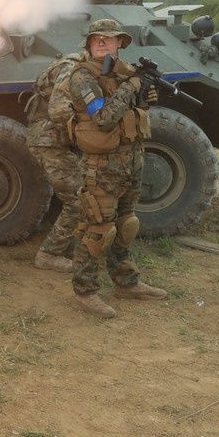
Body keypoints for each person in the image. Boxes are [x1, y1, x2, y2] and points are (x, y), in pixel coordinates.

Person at [50, 18, 167, 318]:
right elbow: (102, 118)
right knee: (97, 230)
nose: (102, 42)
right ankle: (85, 291)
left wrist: (144, 96)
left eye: (109, 38)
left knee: (126, 224)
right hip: (100, 166)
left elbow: (132, 112)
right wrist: (132, 87)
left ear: (120, 44)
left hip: (131, 159)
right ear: (89, 45)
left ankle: (126, 282)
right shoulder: (83, 77)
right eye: (96, 39)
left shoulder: (123, 74)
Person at [25, 53, 83, 273]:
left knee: (78, 195)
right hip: (50, 141)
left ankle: (68, 248)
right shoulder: (73, 69)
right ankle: (49, 255)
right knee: (79, 201)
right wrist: (90, 128)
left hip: (50, 140)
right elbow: (59, 111)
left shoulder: (73, 64)